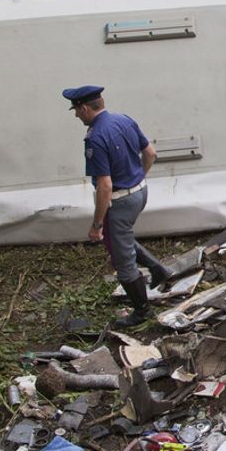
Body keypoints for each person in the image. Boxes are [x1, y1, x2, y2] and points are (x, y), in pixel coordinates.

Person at [64, 85, 171, 327]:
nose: (76, 115)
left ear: (84, 108)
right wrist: (138, 178)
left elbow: (105, 187)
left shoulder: (95, 138)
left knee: (123, 262)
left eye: (76, 110)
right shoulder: (124, 119)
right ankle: (157, 269)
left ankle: (142, 311)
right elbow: (151, 153)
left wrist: (96, 224)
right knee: (119, 235)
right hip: (140, 193)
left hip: (120, 200)